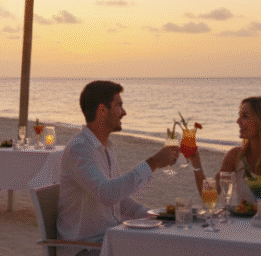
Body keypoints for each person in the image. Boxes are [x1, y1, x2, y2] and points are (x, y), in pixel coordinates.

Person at [57, 81, 180, 255]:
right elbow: (107, 194)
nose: (124, 112)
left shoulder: (106, 147)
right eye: (119, 106)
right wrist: (153, 162)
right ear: (102, 110)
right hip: (85, 248)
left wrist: (155, 216)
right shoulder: (80, 149)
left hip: (109, 240)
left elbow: (118, 200)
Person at [187, 96, 261, 210]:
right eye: (239, 116)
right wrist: (196, 164)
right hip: (242, 227)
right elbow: (209, 197)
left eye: (245, 116)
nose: (238, 121)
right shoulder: (235, 156)